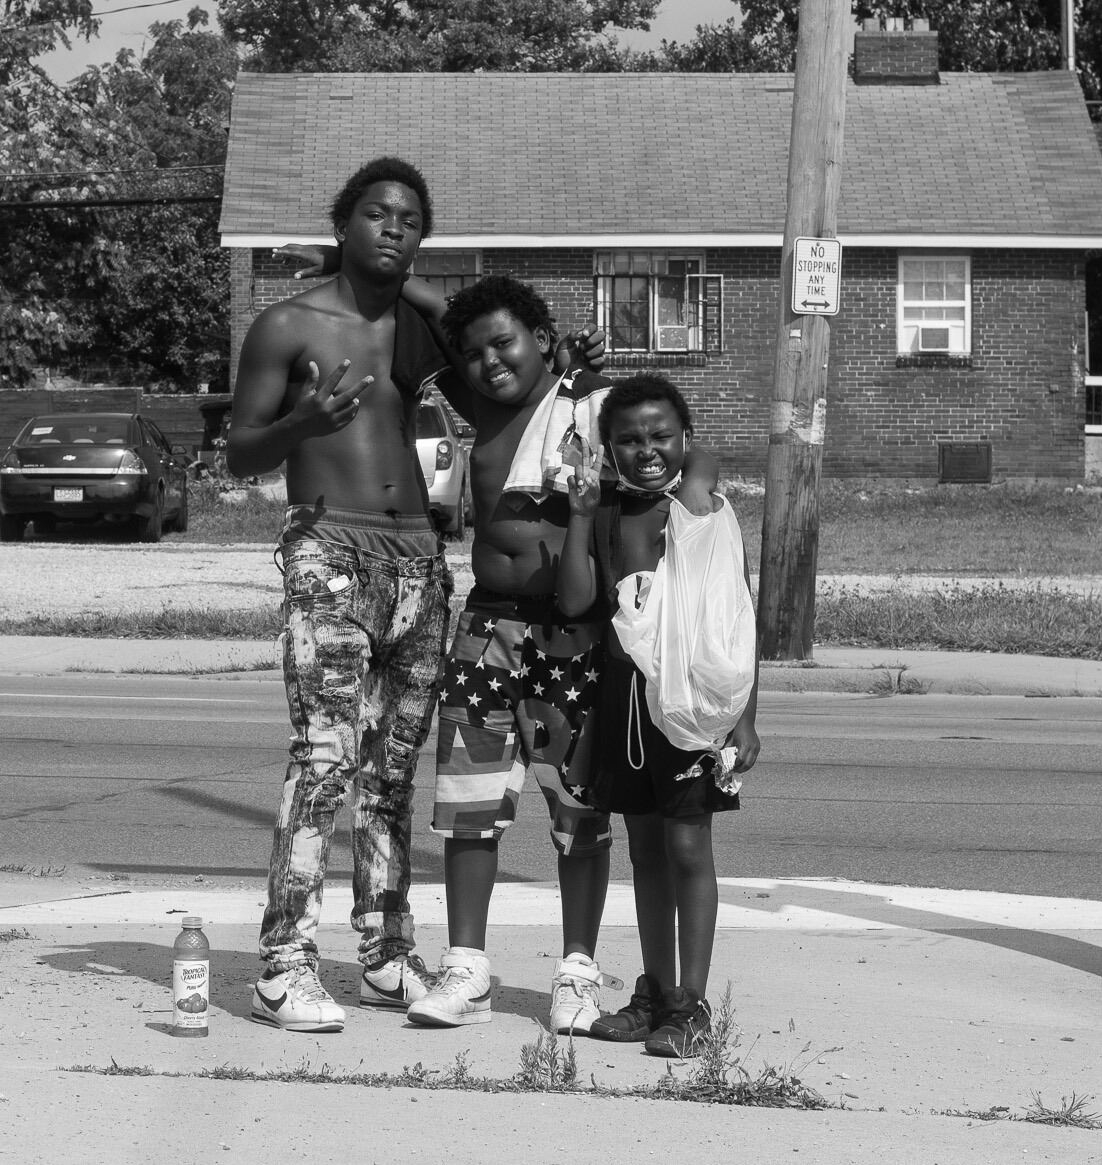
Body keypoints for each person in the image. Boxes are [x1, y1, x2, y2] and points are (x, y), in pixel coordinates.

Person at [405, 278, 718, 1034]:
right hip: (487, 626)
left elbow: (678, 454)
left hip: (576, 635)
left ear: (544, 339)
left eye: (505, 341)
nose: (487, 360)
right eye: (474, 351)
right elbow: (438, 315)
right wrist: (350, 258)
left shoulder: (595, 407)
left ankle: (577, 971)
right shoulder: (478, 405)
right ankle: (467, 968)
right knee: (469, 805)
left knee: (580, 812)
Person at [225, 157, 451, 1033]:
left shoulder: (418, 329)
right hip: (332, 554)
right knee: (325, 762)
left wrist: (421, 295)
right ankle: (282, 966)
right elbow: (241, 450)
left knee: (391, 775)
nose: (393, 229)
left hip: (420, 563)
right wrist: (301, 426)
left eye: (410, 221)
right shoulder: (287, 324)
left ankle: (386, 956)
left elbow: (490, 352)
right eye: (376, 214)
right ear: (342, 222)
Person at [556, 373, 761, 1058]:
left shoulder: (703, 510)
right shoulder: (608, 512)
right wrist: (582, 513)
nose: (648, 449)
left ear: (687, 440)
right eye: (631, 439)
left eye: (662, 436)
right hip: (626, 700)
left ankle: (695, 1003)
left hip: (695, 706)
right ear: (610, 447)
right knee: (644, 850)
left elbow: (738, 619)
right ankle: (658, 992)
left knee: (686, 846)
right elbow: (575, 599)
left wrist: (745, 717)